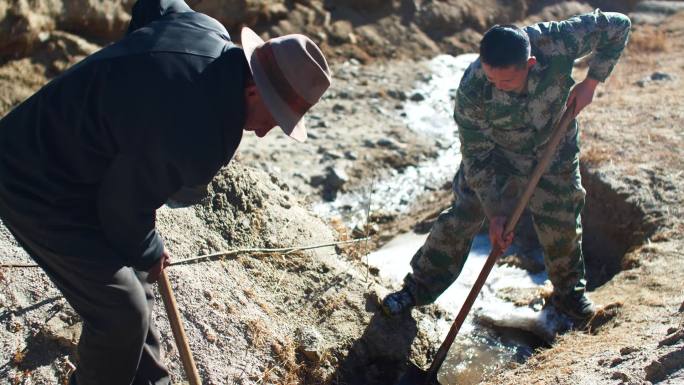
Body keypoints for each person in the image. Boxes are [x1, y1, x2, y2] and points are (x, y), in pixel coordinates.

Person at [0, 0, 331, 383]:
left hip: (70, 164)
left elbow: (155, 5)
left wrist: (131, 93)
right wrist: (151, 249)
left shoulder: (205, 30)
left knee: (136, 275)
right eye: (275, 118)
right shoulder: (201, 133)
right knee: (121, 311)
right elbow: (121, 213)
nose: (265, 131)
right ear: (254, 91)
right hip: (30, 178)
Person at [382, 10, 631, 323]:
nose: (498, 86)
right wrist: (496, 212)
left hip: (553, 145)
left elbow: (618, 25)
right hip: (497, 155)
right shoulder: (473, 89)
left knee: (562, 216)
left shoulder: (559, 40)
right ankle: (416, 289)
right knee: (463, 215)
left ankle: (569, 296)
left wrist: (591, 83)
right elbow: (476, 155)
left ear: (528, 65)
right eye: (492, 78)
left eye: (507, 80)